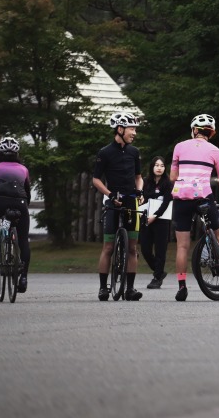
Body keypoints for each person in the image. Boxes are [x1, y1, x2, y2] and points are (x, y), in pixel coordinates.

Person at [170, 114, 219, 300]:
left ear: (194, 130)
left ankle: (182, 286)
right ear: (211, 132)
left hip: (182, 198)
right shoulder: (216, 151)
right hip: (203, 196)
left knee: (182, 246)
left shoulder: (179, 147)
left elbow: (172, 177)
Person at [92, 111, 145, 302]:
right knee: (108, 247)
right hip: (113, 202)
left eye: (135, 129)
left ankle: (130, 289)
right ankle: (103, 288)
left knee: (132, 248)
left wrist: (139, 191)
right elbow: (96, 179)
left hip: (131, 202)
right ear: (120, 129)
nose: (134, 133)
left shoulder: (134, 152)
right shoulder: (105, 152)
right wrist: (109, 194)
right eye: (131, 129)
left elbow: (139, 178)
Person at [0, 137, 32, 294]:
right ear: (17, 153)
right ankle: (23, 277)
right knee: (23, 241)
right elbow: (28, 192)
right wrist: (24, 207)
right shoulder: (24, 170)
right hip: (21, 203)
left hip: (1, 201)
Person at [139, 156, 173, 289]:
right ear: (152, 166)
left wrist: (155, 216)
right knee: (145, 249)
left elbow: (166, 202)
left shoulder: (168, 183)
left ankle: (157, 277)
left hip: (161, 220)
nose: (159, 168)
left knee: (160, 250)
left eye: (162, 165)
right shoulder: (146, 182)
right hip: (146, 218)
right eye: (157, 165)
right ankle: (159, 271)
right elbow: (144, 198)